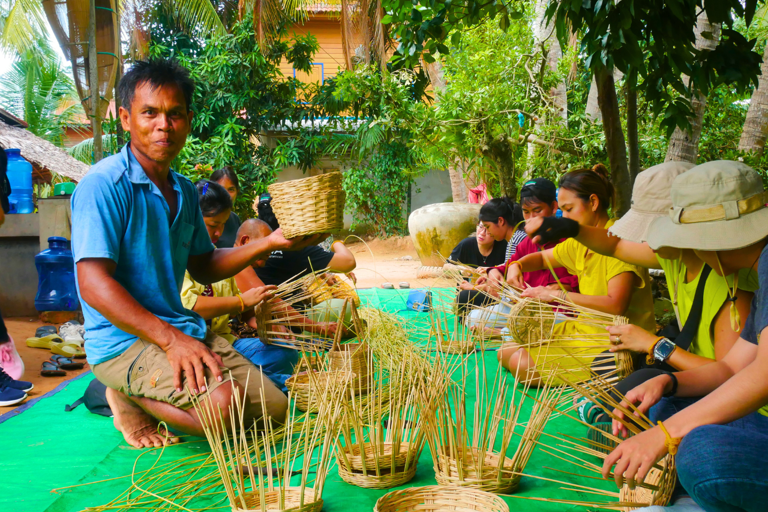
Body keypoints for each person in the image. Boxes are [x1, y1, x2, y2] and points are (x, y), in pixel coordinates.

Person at [71, 58, 322, 449]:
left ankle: (158, 384)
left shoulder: (186, 191)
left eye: (174, 114)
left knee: (274, 411)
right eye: (149, 113)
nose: (163, 125)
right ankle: (125, 397)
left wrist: (271, 242)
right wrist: (172, 342)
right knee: (226, 412)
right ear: (125, 118)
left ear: (188, 119)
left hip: (180, 328)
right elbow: (92, 284)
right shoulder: (103, 185)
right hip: (123, 341)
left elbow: (204, 266)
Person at [602, 161, 768, 512]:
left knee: (702, 451)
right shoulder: (760, 269)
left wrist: (666, 434)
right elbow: (730, 369)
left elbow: (763, 376)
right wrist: (668, 384)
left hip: (758, 419)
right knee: (659, 406)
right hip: (756, 419)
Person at [527, 162, 754, 393]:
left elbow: (728, 376)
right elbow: (615, 245)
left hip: (715, 391)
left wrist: (652, 344)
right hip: (689, 372)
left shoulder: (734, 290)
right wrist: (571, 228)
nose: (646, 239)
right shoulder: (674, 256)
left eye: (655, 231)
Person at [502, 165, 655, 384]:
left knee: (520, 364)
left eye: (568, 209)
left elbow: (616, 305)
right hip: (584, 329)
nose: (563, 217)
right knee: (505, 351)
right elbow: (544, 258)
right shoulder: (580, 241)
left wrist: (556, 295)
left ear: (593, 202)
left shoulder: (619, 240)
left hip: (613, 340)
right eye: (561, 211)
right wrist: (517, 265)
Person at [180, 180, 298, 390]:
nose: (218, 233)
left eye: (223, 225)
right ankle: (280, 384)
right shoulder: (177, 259)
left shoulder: (219, 258)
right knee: (220, 376)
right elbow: (191, 306)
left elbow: (241, 314)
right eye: (213, 225)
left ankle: (257, 379)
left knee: (286, 353)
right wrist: (241, 301)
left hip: (226, 343)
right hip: (194, 346)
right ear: (194, 220)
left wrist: (264, 324)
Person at [254, 196, 357, 287]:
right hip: (288, 307)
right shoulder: (299, 248)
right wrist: (336, 243)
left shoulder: (251, 247)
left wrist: (323, 273)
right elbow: (349, 262)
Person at [450, 222, 508, 315]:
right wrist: (461, 269)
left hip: (492, 295)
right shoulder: (466, 244)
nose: (482, 233)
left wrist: (491, 270)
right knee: (464, 297)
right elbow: (446, 266)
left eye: (488, 230)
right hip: (468, 294)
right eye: (480, 227)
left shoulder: (504, 246)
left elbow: (510, 268)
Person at [210, 167, 242, 249]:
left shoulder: (235, 219)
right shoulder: (200, 217)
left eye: (231, 189)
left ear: (237, 192)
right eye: (221, 189)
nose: (227, 195)